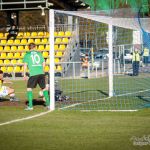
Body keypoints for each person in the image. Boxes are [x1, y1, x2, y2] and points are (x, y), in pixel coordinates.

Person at [23, 42, 50, 110]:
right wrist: (42, 70)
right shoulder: (39, 53)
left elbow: (25, 65)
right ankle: (48, 104)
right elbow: (44, 63)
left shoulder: (27, 54)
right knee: (44, 88)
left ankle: (30, 106)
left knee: (29, 89)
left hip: (33, 74)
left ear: (29, 48)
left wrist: (24, 74)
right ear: (35, 47)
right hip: (41, 73)